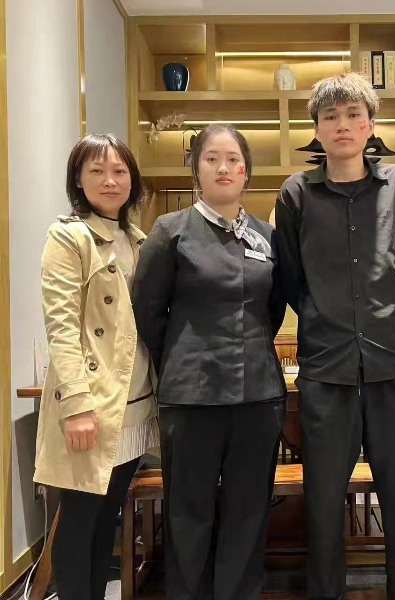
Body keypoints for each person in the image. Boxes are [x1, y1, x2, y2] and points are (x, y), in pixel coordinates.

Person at [275, 72, 395, 600]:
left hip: (391, 369)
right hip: (325, 373)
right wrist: (323, 315)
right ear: (316, 128)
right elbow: (289, 278)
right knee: (322, 501)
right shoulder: (296, 193)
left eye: (353, 115)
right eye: (330, 116)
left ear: (370, 124)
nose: (342, 125)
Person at [132, 124, 287, 600]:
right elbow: (148, 312)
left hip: (259, 395)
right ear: (196, 169)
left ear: (246, 172)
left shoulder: (266, 236)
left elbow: (273, 309)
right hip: (192, 396)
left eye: (234, 160)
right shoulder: (170, 230)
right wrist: (184, 358)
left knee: (248, 511)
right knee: (189, 512)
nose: (224, 167)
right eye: (212, 158)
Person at [33, 134, 159, 600]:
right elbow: (61, 327)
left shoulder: (139, 240)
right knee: (80, 520)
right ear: (78, 180)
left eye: (119, 171)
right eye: (97, 171)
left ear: (133, 180)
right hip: (92, 405)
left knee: (109, 520)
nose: (110, 180)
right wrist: (76, 405)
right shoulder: (69, 237)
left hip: (134, 403)